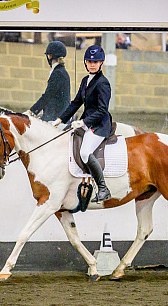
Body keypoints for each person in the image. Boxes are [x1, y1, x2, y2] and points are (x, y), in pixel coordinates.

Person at [50, 45, 112, 202]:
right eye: (90, 61)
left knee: (85, 153)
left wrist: (83, 122)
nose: (92, 64)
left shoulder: (103, 83)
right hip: (86, 122)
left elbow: (102, 110)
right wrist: (59, 120)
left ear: (101, 63)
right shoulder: (85, 81)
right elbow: (75, 103)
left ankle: (103, 189)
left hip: (99, 125)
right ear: (85, 62)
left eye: (96, 61)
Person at [26, 41, 70, 122]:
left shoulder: (57, 73)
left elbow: (48, 95)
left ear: (49, 56)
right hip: (57, 115)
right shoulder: (61, 71)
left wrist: (32, 111)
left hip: (54, 118)